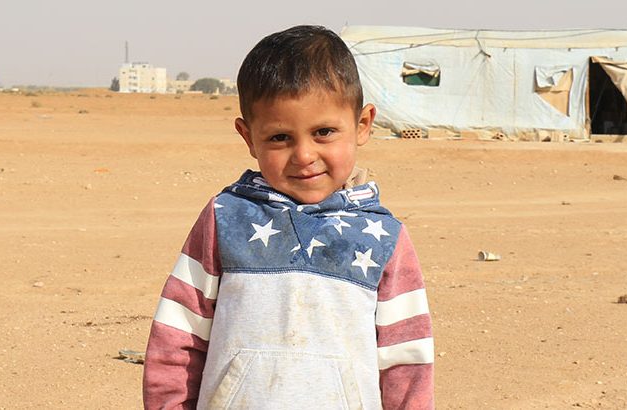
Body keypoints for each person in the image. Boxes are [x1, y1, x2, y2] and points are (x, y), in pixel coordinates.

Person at [142, 25, 434, 409]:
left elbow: (406, 359)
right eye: (280, 137)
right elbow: (179, 334)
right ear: (249, 137)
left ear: (362, 125)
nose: (304, 156)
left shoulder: (384, 236)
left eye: (324, 132)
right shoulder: (225, 218)